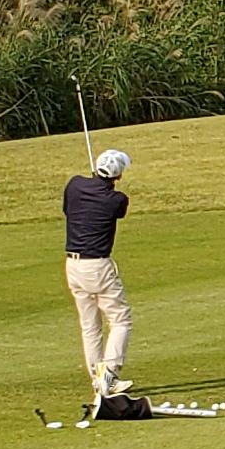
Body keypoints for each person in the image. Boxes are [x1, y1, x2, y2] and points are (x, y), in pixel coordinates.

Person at [63, 148, 135, 398]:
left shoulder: (74, 185)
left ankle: (98, 380)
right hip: (98, 266)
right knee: (120, 319)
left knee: (89, 325)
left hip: (73, 265)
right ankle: (109, 375)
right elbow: (118, 211)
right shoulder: (117, 199)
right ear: (118, 175)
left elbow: (69, 209)